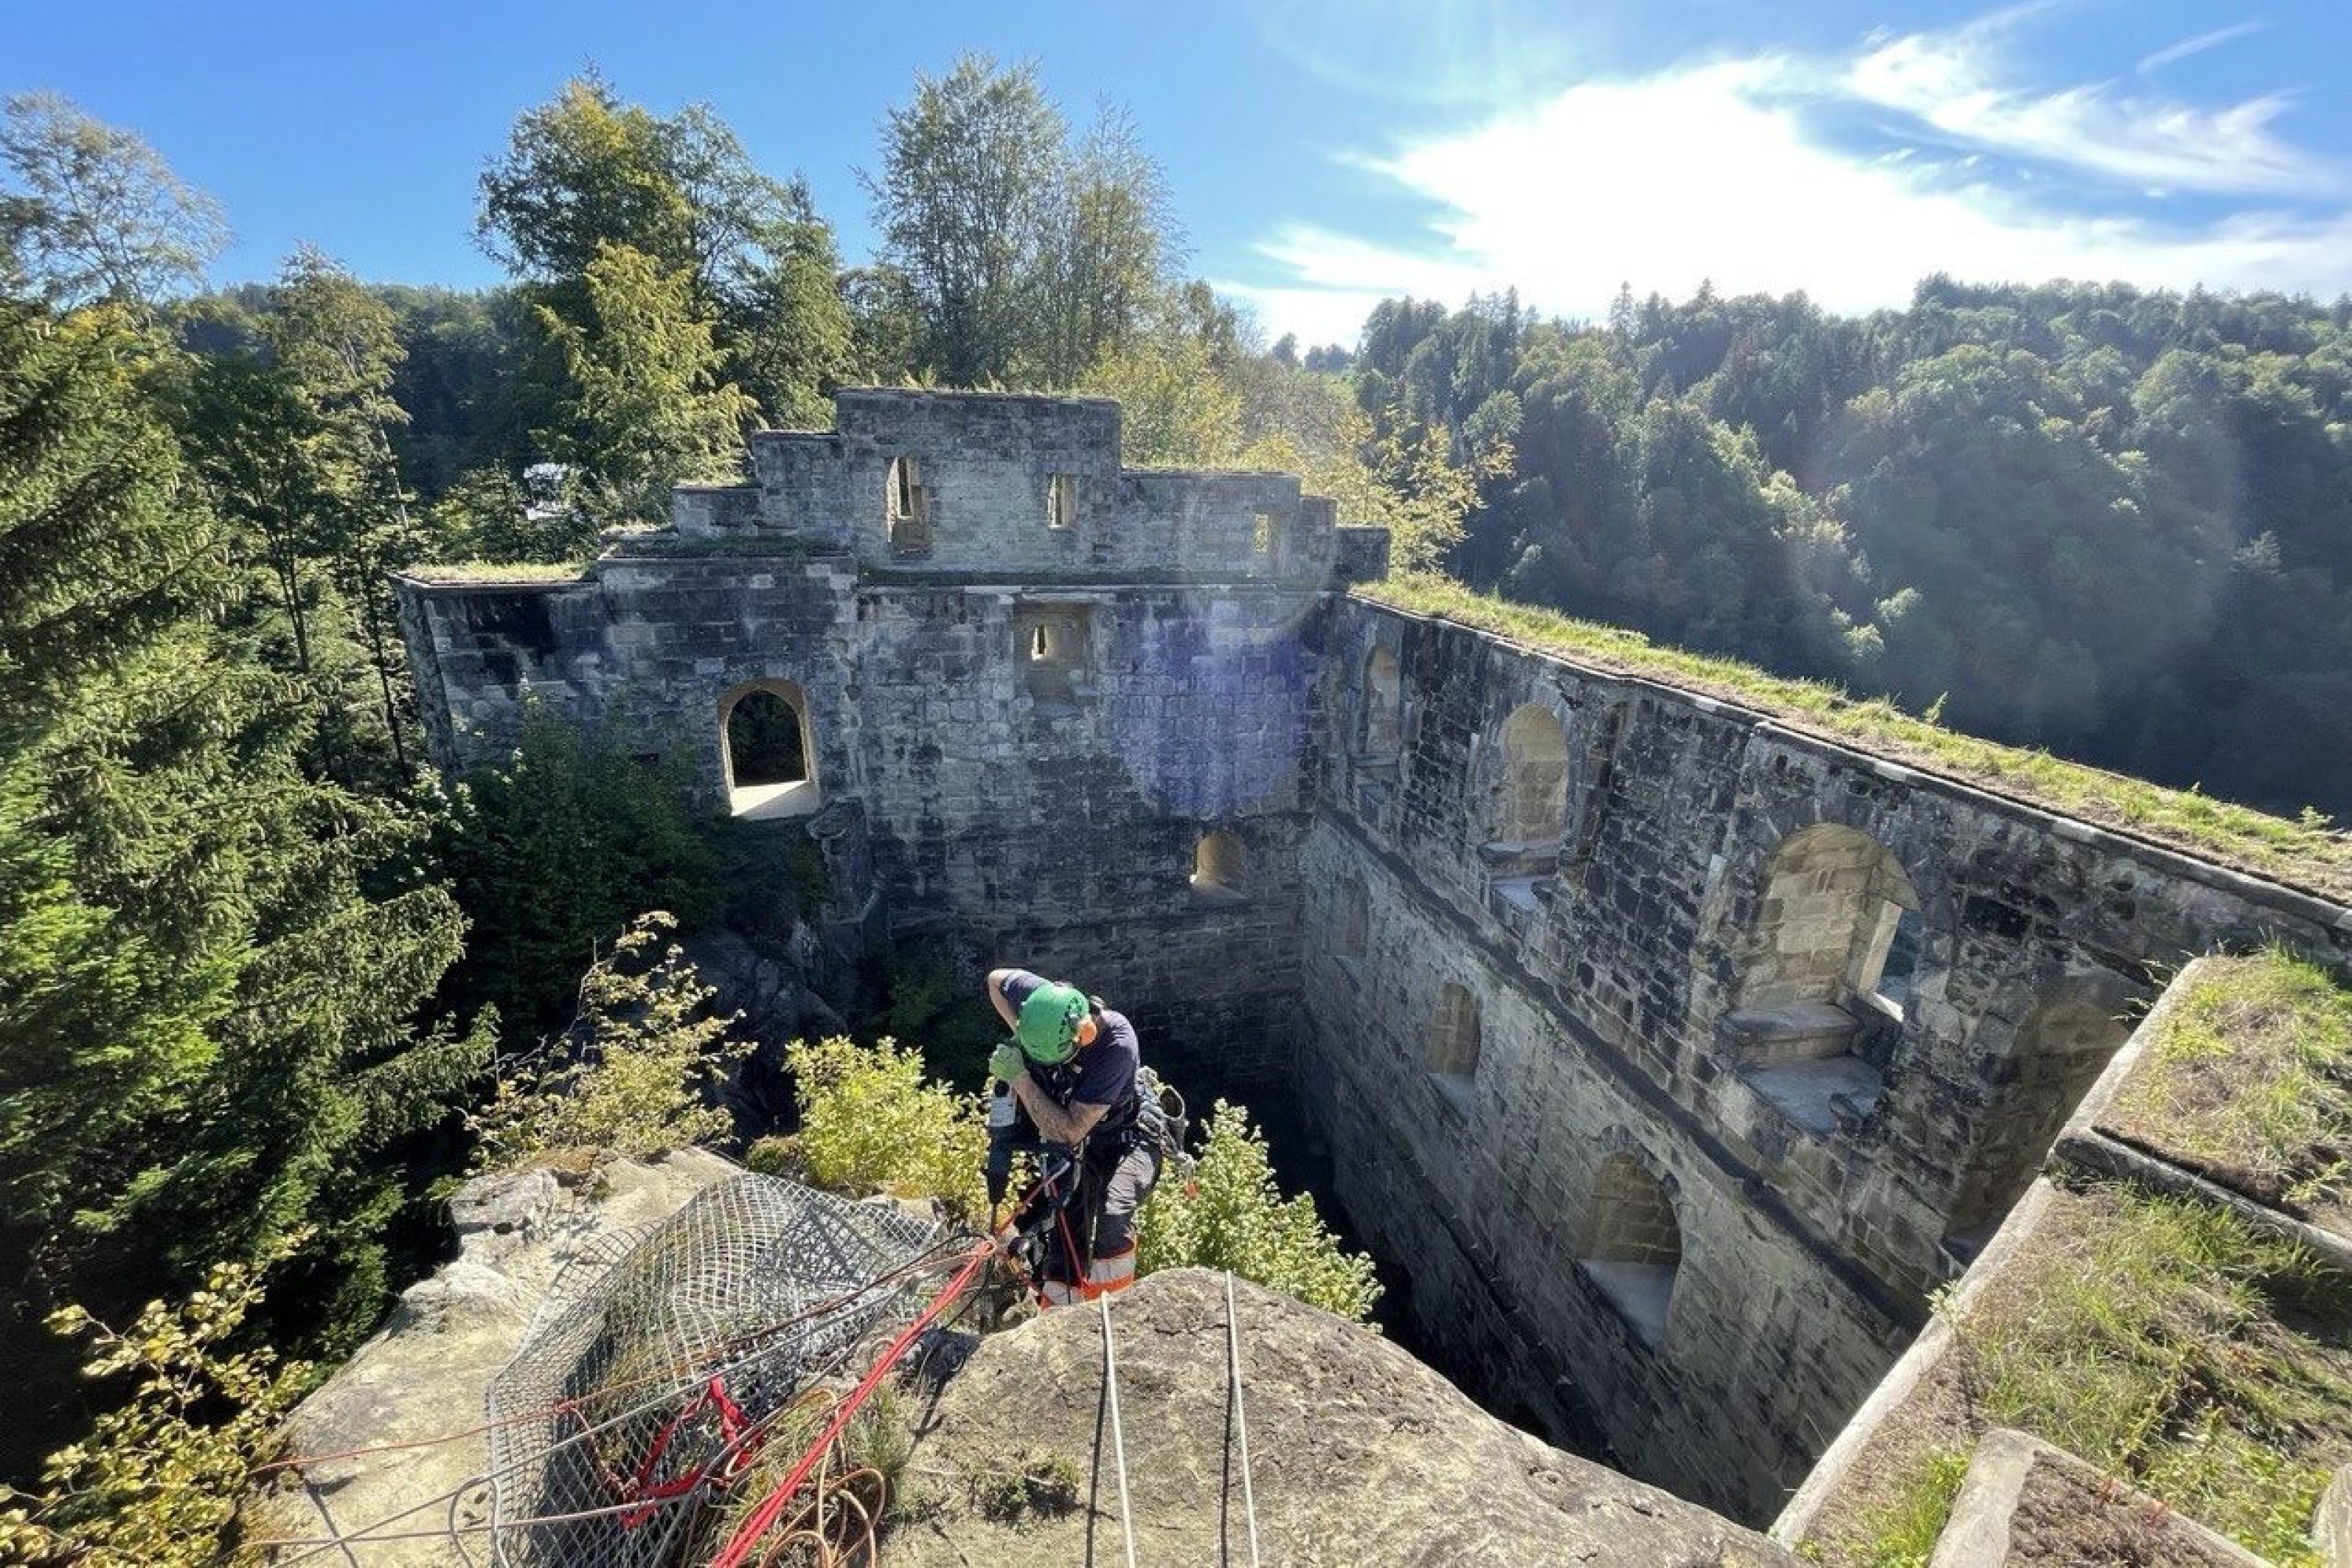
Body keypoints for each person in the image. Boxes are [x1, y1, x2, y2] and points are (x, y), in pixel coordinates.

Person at [985, 967, 1158, 1305]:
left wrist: (1020, 1076)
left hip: (1122, 1137)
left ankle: (1114, 1306)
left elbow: (1068, 1130)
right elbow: (995, 981)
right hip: (1077, 1135)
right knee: (1061, 1216)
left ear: (1083, 1036)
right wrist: (1024, 1036)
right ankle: (1059, 1305)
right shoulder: (1042, 1002)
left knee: (1112, 1214)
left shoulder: (1115, 1045)